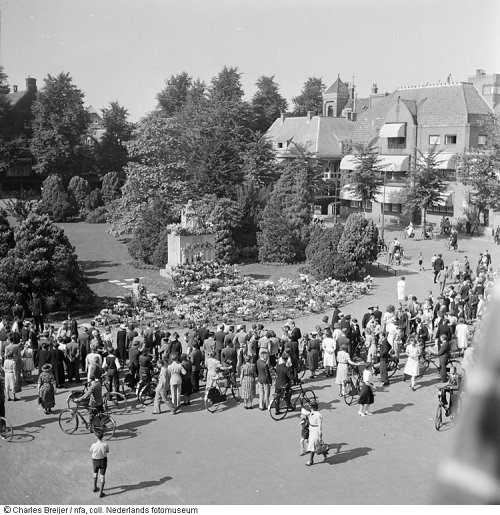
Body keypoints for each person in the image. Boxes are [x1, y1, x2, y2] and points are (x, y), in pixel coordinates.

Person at [90, 428, 109, 498]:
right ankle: (101, 492)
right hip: (103, 461)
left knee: (95, 473)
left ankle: (94, 487)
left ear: (96, 437)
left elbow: (91, 451)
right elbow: (107, 451)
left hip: (95, 461)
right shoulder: (105, 444)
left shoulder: (93, 445)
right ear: (102, 437)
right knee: (102, 476)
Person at [304, 401, 325, 466]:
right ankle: (324, 452)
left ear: (313, 407)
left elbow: (320, 425)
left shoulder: (319, 415)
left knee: (312, 445)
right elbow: (304, 411)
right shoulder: (311, 413)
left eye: (310, 406)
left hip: (316, 430)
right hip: (311, 429)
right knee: (315, 446)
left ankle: (311, 461)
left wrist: (320, 435)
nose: (309, 407)